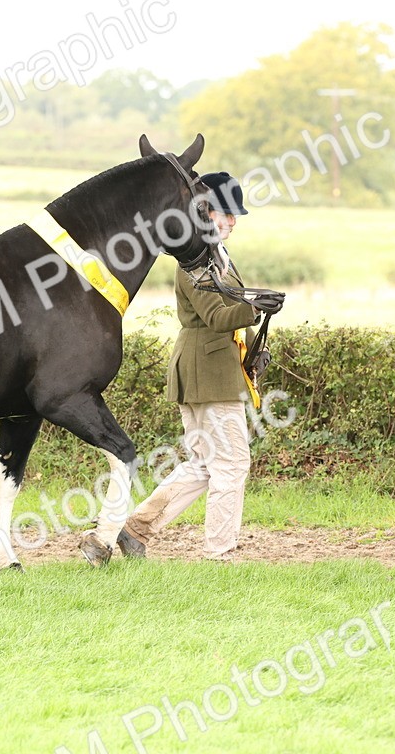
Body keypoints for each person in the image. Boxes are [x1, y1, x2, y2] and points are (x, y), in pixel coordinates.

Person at [116, 172, 283, 562]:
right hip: (207, 373)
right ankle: (219, 553)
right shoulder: (195, 262)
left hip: (207, 370)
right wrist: (256, 307)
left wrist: (256, 300)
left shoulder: (214, 257)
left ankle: (136, 529)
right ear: (205, 212)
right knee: (232, 463)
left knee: (206, 464)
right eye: (227, 213)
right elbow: (216, 316)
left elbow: (229, 303)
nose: (233, 222)